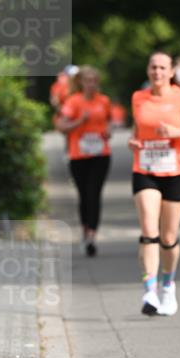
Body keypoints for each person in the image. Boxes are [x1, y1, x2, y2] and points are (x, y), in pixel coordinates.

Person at [129, 52, 180, 316]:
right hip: (145, 169)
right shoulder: (138, 98)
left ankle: (168, 284)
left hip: (175, 171)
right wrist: (134, 142)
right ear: (147, 70)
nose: (157, 72)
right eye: (153, 67)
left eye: (162, 68)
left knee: (168, 237)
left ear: (171, 72)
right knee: (149, 231)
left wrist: (177, 133)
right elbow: (137, 130)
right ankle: (150, 291)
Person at [56, 67, 112, 256]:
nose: (91, 84)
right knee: (83, 194)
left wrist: (108, 131)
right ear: (81, 83)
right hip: (78, 155)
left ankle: (92, 235)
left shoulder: (104, 101)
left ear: (97, 82)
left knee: (94, 193)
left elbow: (109, 122)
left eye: (94, 80)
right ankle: (85, 228)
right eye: (87, 80)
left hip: (100, 154)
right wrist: (80, 121)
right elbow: (61, 126)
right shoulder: (73, 102)